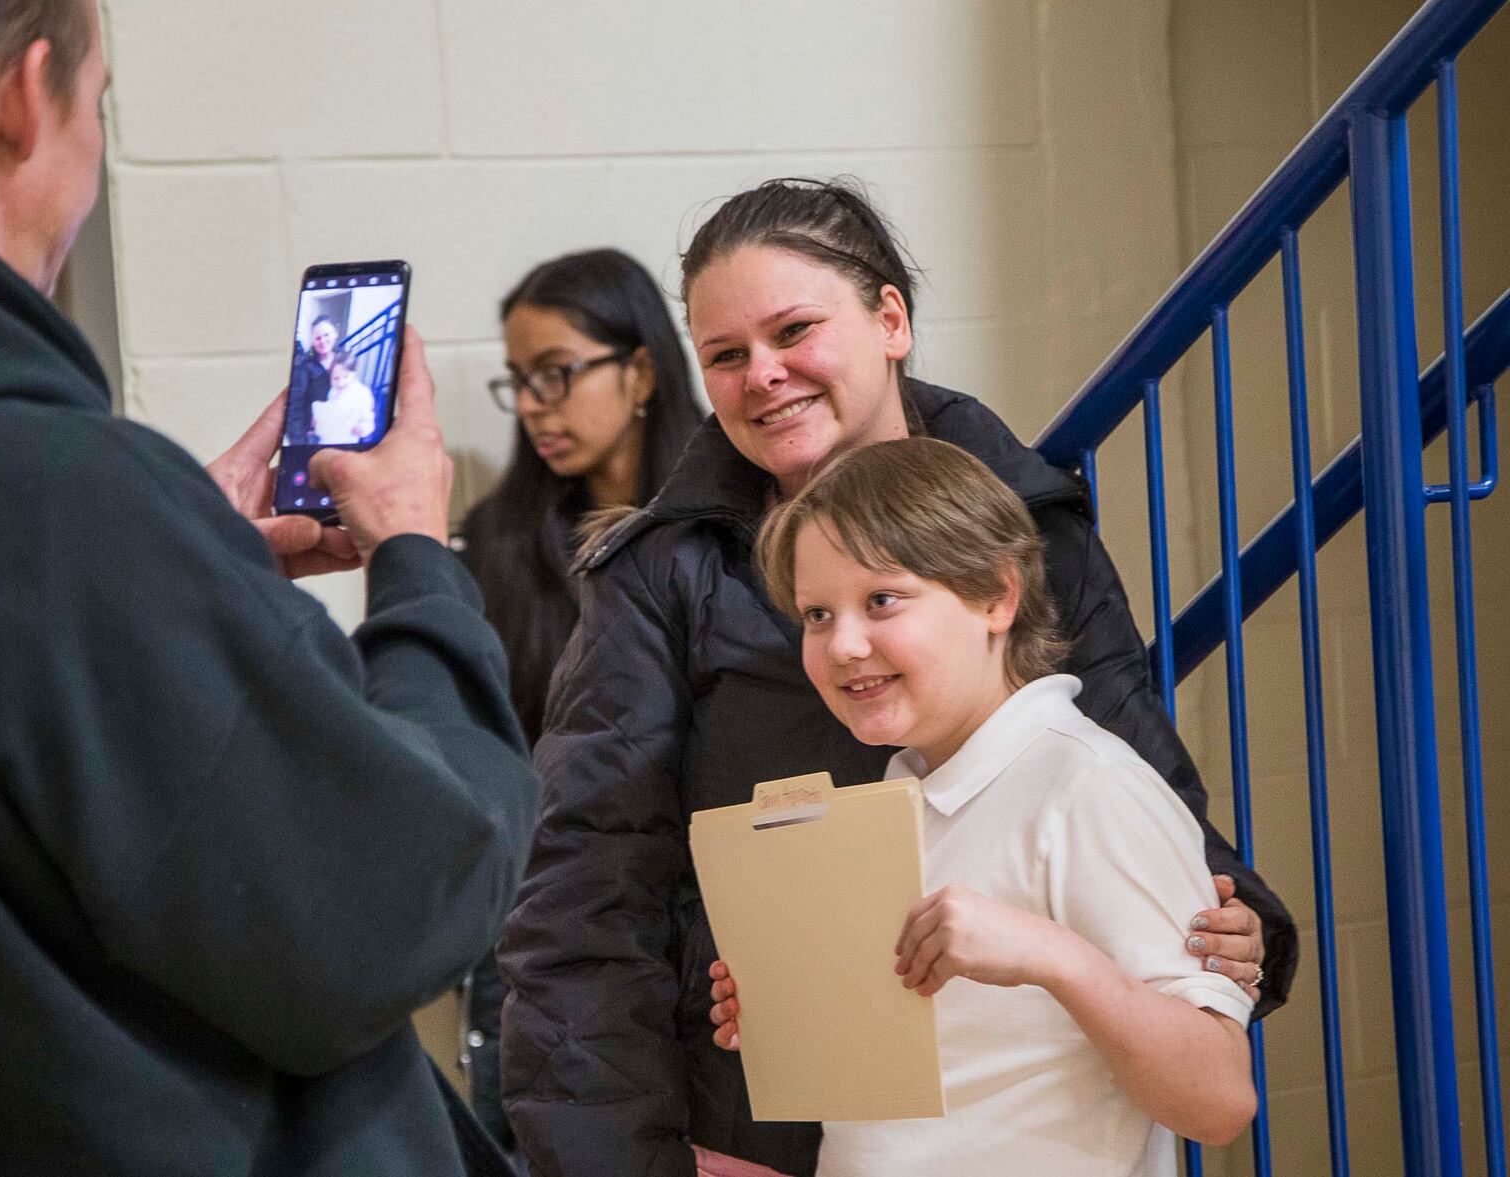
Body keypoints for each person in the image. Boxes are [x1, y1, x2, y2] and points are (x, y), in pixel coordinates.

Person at [498, 178, 1297, 1177]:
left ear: (889, 319)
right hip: (750, 1132)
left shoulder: (1029, 530)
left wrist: (1232, 919)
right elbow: (584, 904)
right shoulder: (663, 573)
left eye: (794, 329)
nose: (764, 375)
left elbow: (1127, 786)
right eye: (726, 355)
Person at [0, 3, 536, 1174]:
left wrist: (177, 564)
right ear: (24, 97)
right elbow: (401, 891)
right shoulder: (59, 507)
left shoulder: (41, 514)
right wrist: (418, 563)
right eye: (98, 106)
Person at [705, 437, 1256, 1175]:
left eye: (881, 600)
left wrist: (1052, 954)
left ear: (998, 596)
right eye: (816, 614)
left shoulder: (1088, 784)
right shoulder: (886, 808)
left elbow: (1218, 1101)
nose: (843, 644)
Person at [451, 247, 703, 1151]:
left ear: (640, 369)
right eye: (518, 381)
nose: (531, 407)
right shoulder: (497, 543)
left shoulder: (725, 523)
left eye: (556, 374)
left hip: (704, 910)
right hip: (546, 922)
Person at [287, 312, 341, 443]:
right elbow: (295, 408)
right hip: (312, 435)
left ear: (335, 334)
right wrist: (299, 442)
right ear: (313, 341)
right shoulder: (303, 366)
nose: (322, 341)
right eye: (318, 338)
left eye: (326, 335)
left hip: (339, 431)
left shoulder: (344, 360)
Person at [311, 347, 377, 444]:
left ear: (354, 373)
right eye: (336, 378)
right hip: (327, 440)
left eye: (345, 377)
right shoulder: (333, 391)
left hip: (347, 443)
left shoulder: (362, 394)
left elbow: (369, 422)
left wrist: (363, 428)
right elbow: (330, 412)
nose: (340, 383)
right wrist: (317, 421)